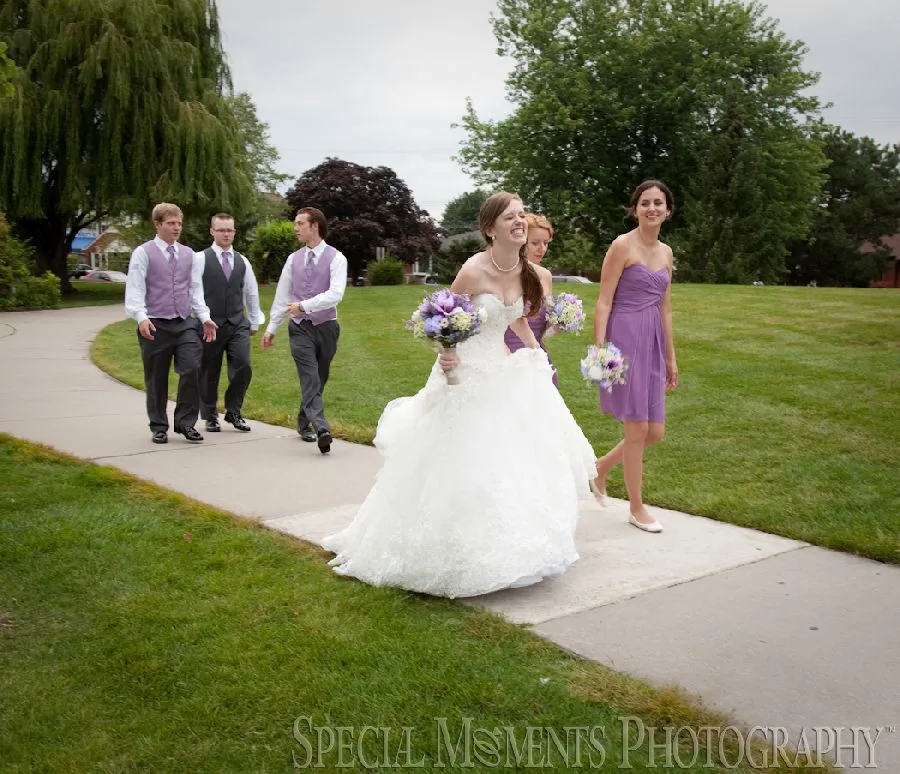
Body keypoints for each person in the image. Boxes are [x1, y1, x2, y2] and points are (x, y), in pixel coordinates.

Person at [322, 192, 596, 598]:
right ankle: (446, 548)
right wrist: (447, 351)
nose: (519, 222)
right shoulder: (473, 270)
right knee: (461, 460)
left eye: (522, 215)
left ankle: (515, 549)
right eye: (510, 217)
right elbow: (440, 317)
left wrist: (537, 353)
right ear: (490, 229)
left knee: (510, 460)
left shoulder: (530, 272)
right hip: (464, 374)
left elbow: (517, 318)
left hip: (501, 370)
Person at [591, 180, 678, 533]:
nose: (652, 208)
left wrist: (671, 357)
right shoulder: (621, 246)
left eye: (658, 203)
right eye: (645, 203)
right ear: (636, 209)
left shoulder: (667, 253)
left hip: (654, 340)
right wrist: (601, 350)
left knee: (654, 431)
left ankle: (598, 468)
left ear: (667, 211)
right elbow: (603, 300)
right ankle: (636, 508)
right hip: (624, 338)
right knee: (637, 427)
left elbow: (666, 308)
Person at [125, 202, 217, 445]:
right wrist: (141, 317)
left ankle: (186, 423)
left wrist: (205, 318)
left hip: (184, 322)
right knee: (156, 377)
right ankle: (158, 426)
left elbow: (195, 290)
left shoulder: (189, 255)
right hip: (155, 323)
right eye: (171, 223)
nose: (176, 228)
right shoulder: (143, 253)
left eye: (179, 223)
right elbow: (135, 289)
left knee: (191, 368)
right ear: (157, 224)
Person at [262, 207, 347, 455]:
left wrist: (303, 306)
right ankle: (322, 428)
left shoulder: (337, 258)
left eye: (300, 224)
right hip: (299, 329)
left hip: (327, 327)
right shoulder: (293, 259)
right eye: (296, 224)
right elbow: (282, 296)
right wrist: (271, 327)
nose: (295, 228)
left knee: (319, 378)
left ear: (315, 226)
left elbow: (335, 295)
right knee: (309, 377)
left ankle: (303, 421)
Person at [197, 213, 265, 433]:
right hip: (210, 324)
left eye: (229, 230)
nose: (226, 234)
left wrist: (254, 320)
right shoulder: (199, 259)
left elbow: (251, 293)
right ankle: (209, 415)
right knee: (209, 371)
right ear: (212, 231)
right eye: (221, 230)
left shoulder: (242, 261)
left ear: (234, 232)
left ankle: (233, 411)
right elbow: (193, 292)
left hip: (237, 324)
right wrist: (203, 317)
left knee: (243, 366)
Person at [503, 212, 559, 388]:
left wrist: (560, 321)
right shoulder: (503, 274)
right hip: (506, 356)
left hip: (538, 356)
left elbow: (545, 327)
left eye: (545, 243)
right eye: (535, 243)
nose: (541, 249)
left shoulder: (545, 276)